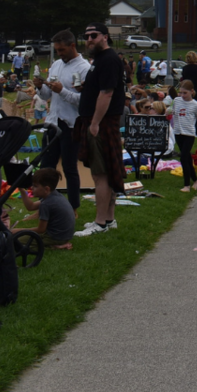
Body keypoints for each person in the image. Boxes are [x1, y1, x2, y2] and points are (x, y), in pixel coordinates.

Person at [74, 23, 127, 236]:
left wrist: (94, 123)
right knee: (107, 172)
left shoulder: (109, 60)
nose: (89, 39)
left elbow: (107, 93)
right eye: (86, 36)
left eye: (93, 35)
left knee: (101, 174)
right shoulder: (100, 60)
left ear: (105, 36)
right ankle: (109, 219)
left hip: (102, 124)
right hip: (99, 122)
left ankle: (100, 222)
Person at [35, 29, 91, 210]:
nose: (59, 54)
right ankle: (45, 206)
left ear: (72, 45)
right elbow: (47, 95)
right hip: (52, 122)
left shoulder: (84, 69)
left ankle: (73, 207)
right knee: (46, 167)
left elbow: (84, 102)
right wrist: (40, 87)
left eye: (62, 50)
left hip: (72, 124)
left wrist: (62, 91)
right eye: (57, 50)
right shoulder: (56, 65)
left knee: (69, 167)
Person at [13, 167, 76, 249]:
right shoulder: (54, 195)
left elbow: (40, 230)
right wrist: (21, 190)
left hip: (55, 237)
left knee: (15, 241)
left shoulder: (46, 204)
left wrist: (18, 231)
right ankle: (58, 244)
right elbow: (31, 207)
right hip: (64, 235)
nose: (32, 188)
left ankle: (56, 246)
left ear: (46, 189)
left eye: (35, 186)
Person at [171, 79, 197, 193]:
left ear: (192, 91)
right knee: (186, 159)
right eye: (180, 92)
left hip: (189, 133)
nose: (182, 95)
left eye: (185, 93)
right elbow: (173, 112)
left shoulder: (195, 105)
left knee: (183, 157)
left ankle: (186, 185)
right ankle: (195, 180)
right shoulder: (177, 100)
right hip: (178, 132)